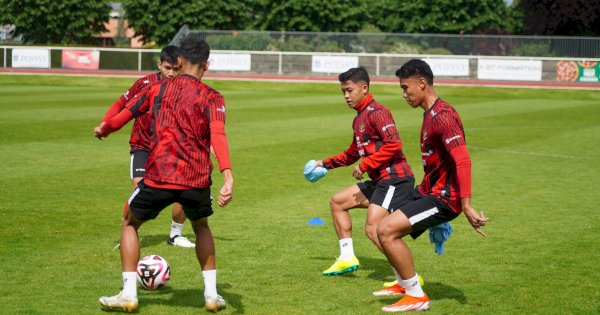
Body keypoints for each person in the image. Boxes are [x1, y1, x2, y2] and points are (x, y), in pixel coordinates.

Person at [96, 34, 233, 313]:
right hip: (196, 178)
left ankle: (129, 294)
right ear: (206, 65)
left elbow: (125, 115)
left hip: (159, 174)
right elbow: (218, 135)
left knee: (130, 223)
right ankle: (210, 296)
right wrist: (228, 175)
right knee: (201, 226)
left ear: (179, 60)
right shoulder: (213, 97)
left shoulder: (156, 89)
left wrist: (105, 129)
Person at [374, 59, 489, 312]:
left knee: (386, 231)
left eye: (406, 88)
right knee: (378, 225)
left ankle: (416, 296)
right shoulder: (430, 114)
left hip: (446, 198)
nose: (404, 94)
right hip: (430, 191)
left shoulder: (444, 116)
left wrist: (466, 205)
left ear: (422, 83)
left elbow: (463, 160)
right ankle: (404, 283)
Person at [313, 67, 416, 276]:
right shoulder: (359, 118)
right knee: (338, 202)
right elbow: (353, 153)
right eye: (343, 91)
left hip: (394, 179)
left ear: (364, 88)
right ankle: (346, 257)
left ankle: (407, 278)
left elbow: (394, 144)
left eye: (349, 90)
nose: (346, 96)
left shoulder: (378, 112)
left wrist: (365, 164)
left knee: (373, 228)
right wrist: (324, 164)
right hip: (381, 181)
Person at [94, 45, 195, 248]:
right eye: (168, 68)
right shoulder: (144, 84)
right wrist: (104, 124)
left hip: (170, 149)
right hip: (142, 146)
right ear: (160, 64)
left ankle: (175, 235)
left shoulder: (186, 88)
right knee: (139, 189)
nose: (171, 73)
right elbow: (120, 105)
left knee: (185, 189)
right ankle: (128, 233)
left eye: (176, 69)